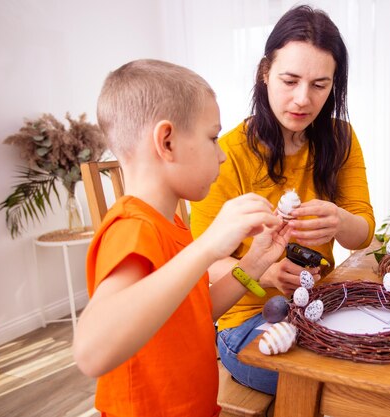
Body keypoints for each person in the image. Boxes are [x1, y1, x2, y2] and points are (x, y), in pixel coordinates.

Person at [73, 59, 292, 417]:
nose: (221, 154)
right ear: (168, 141)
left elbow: (193, 313)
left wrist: (255, 263)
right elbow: (91, 352)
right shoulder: (133, 227)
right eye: (212, 137)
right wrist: (208, 247)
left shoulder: (169, 223)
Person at [190, 5, 375, 395]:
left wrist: (339, 220)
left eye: (320, 85)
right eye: (289, 80)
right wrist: (265, 273)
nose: (302, 99)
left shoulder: (340, 139)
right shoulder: (228, 153)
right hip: (245, 320)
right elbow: (203, 260)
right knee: (323, 378)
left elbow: (361, 234)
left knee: (370, 358)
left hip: (319, 307)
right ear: (265, 73)